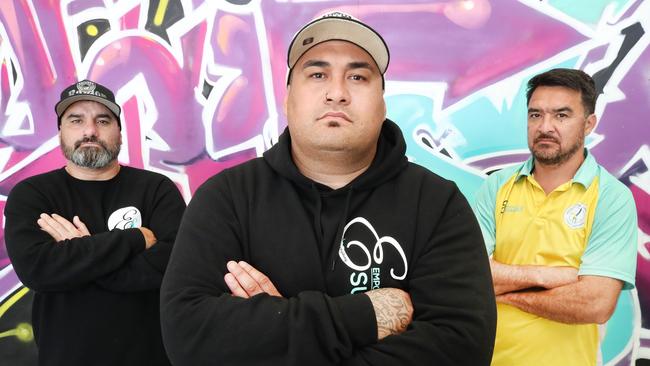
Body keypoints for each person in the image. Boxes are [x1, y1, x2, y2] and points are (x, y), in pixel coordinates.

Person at [161, 12, 496, 366]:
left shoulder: (437, 203)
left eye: (357, 76)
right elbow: (188, 337)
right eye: (318, 74)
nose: (337, 93)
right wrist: (367, 315)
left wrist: (276, 324)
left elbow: (462, 348)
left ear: (383, 103)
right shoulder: (226, 198)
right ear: (288, 98)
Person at [4, 79, 186, 366]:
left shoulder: (156, 189)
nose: (90, 130)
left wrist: (78, 255)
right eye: (76, 120)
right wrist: (135, 239)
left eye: (103, 120)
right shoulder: (33, 195)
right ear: (60, 131)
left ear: (120, 132)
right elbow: (37, 269)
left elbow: (176, 267)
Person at [472, 68, 638, 365]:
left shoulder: (611, 198)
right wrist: (546, 276)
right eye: (535, 115)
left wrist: (505, 294)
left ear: (588, 124)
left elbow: (596, 303)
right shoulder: (496, 187)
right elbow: (468, 275)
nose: (545, 126)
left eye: (561, 116)